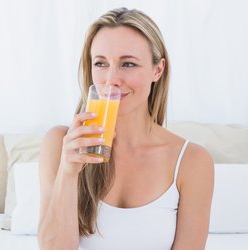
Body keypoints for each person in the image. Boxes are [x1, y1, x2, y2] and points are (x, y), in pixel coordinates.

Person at [37, 7, 214, 250]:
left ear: (157, 70)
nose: (111, 79)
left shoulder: (192, 161)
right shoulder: (60, 144)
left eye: (128, 64)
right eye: (101, 63)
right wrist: (68, 174)